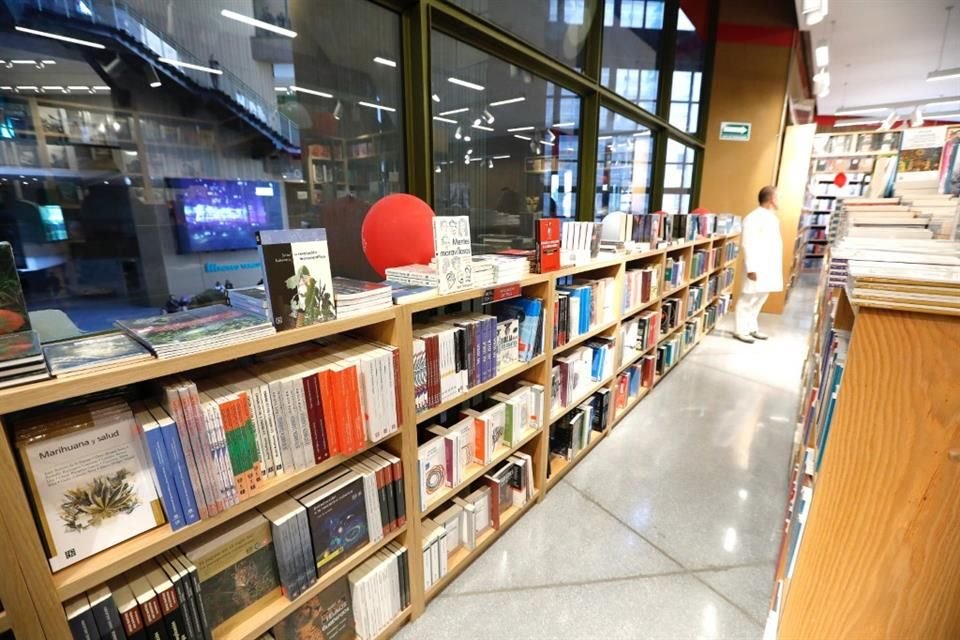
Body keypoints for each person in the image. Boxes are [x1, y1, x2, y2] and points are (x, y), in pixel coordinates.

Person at [734, 185, 783, 343]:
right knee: (747, 297)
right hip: (756, 267)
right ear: (770, 198)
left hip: (769, 267)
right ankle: (740, 330)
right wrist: (751, 268)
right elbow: (747, 243)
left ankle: (751, 327)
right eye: (778, 196)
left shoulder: (773, 217)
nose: (779, 200)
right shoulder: (752, 218)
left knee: (760, 297)